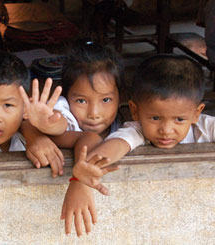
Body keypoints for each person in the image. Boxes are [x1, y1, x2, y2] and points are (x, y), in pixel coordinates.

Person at [74, 54, 213, 208]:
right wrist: (88, 166)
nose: (166, 131)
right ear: (135, 111)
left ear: (196, 113)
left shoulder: (206, 126)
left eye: (179, 120)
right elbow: (117, 144)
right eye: (155, 118)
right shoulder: (138, 130)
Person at [21, 43, 125, 237]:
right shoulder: (63, 112)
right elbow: (57, 123)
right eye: (81, 101)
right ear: (66, 98)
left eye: (106, 100)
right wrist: (41, 126)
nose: (94, 113)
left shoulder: (127, 121)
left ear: (122, 97)